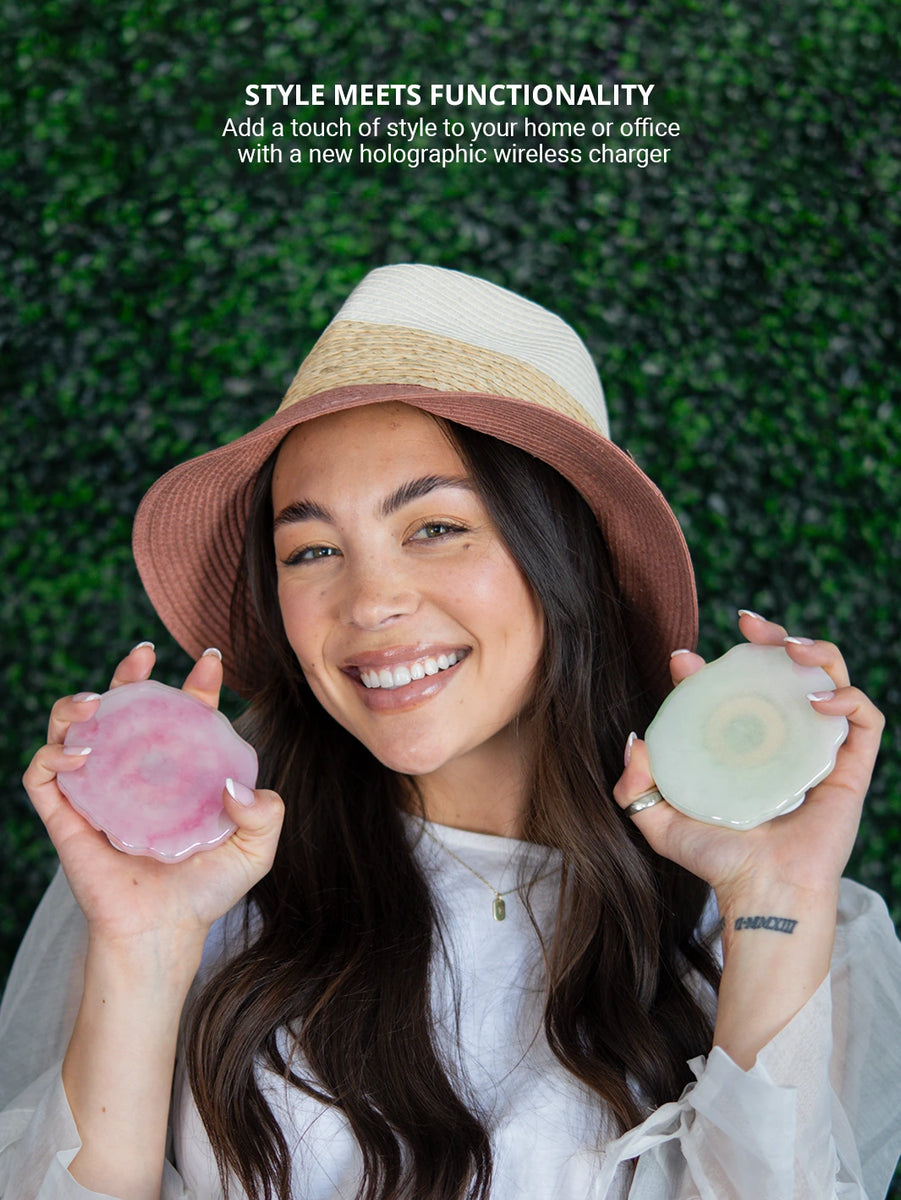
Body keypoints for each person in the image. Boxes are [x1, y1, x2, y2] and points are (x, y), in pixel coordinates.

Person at [1, 263, 900, 1200]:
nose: (370, 602)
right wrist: (143, 949)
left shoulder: (763, 919)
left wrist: (775, 900)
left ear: (563, 555)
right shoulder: (203, 889)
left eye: (434, 528)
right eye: (311, 550)